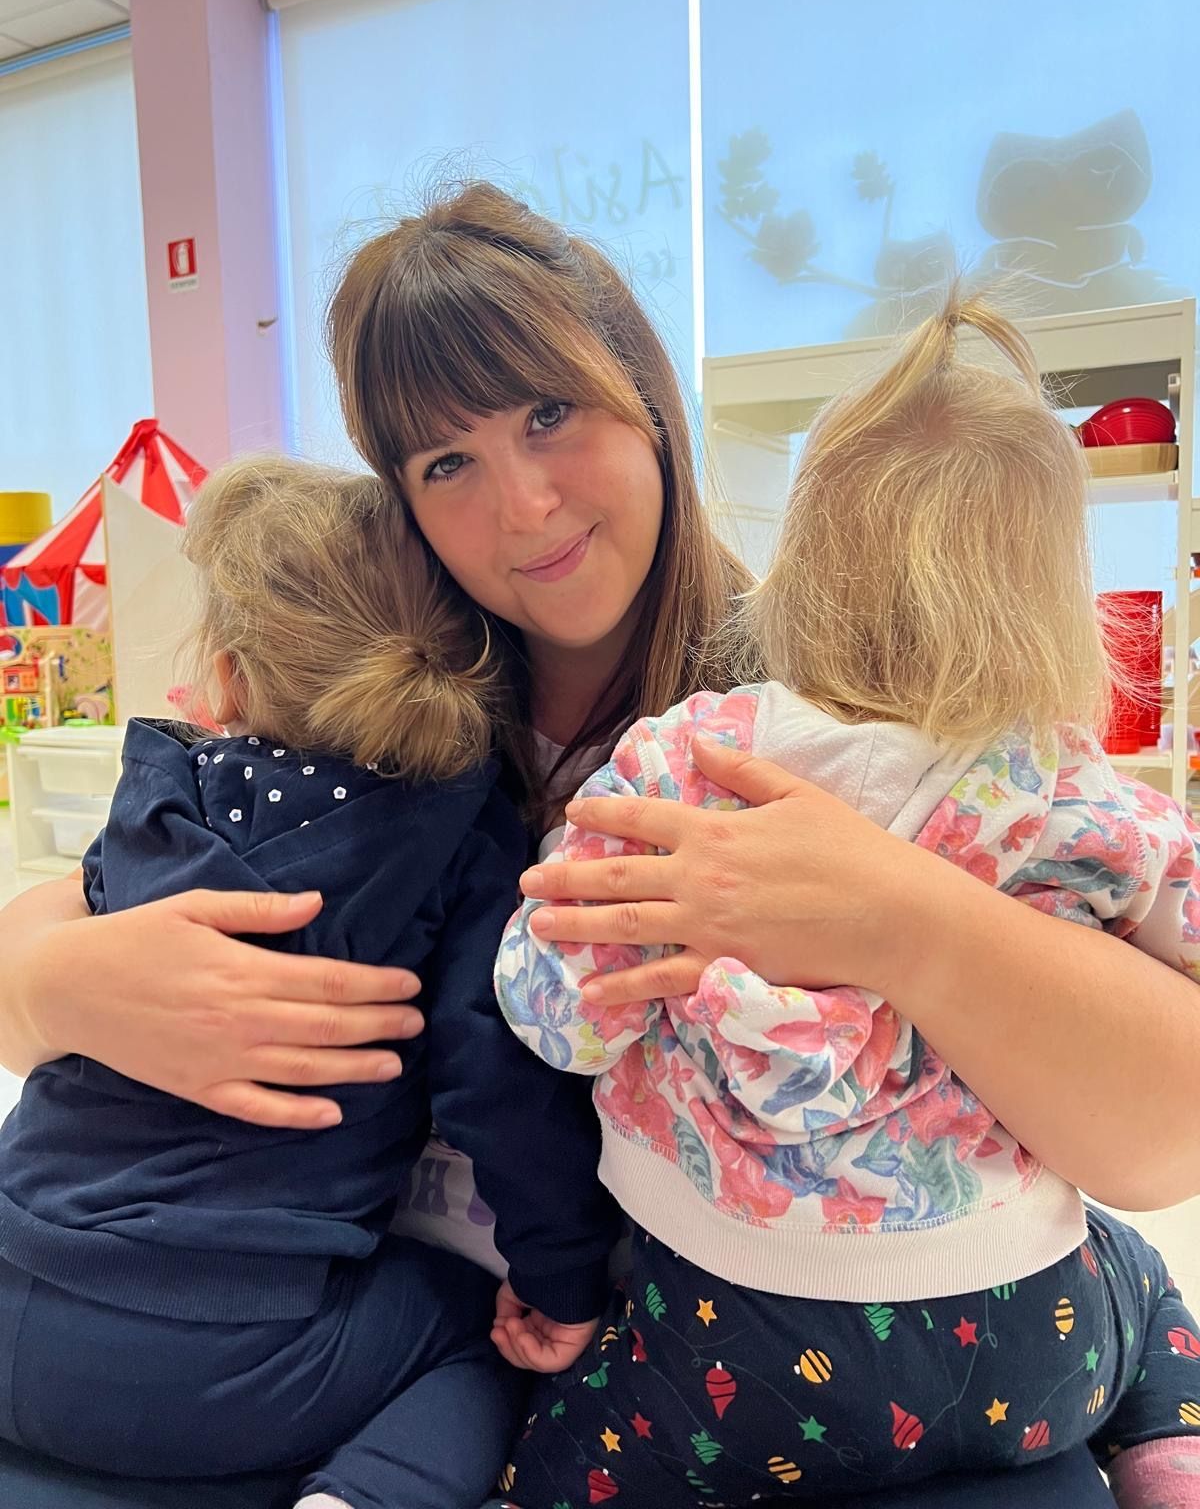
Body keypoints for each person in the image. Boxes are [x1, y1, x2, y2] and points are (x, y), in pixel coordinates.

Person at [3, 182, 1197, 1504]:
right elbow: (95, 898)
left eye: (548, 413)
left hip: (743, 1371)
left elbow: (1162, 1137)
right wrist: (54, 986)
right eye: (445, 463)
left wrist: (906, 921)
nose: (524, 505)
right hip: (401, 1362)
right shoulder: (391, 699)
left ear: (645, 394)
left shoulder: (824, 703)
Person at [491, 297, 1200, 1508]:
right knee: (1138, 1278)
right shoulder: (1068, 791)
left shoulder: (682, 760)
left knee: (563, 1457)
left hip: (726, 1342)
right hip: (1026, 1347)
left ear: (802, 563)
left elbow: (553, 1015)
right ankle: (1169, 1438)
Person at [0, 456, 618, 1509]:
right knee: (480, 1336)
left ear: (228, 679)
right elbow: (494, 1084)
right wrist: (562, 1277)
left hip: (17, 1265)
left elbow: (60, 927)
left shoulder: (158, 795)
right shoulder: (459, 836)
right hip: (221, 1363)